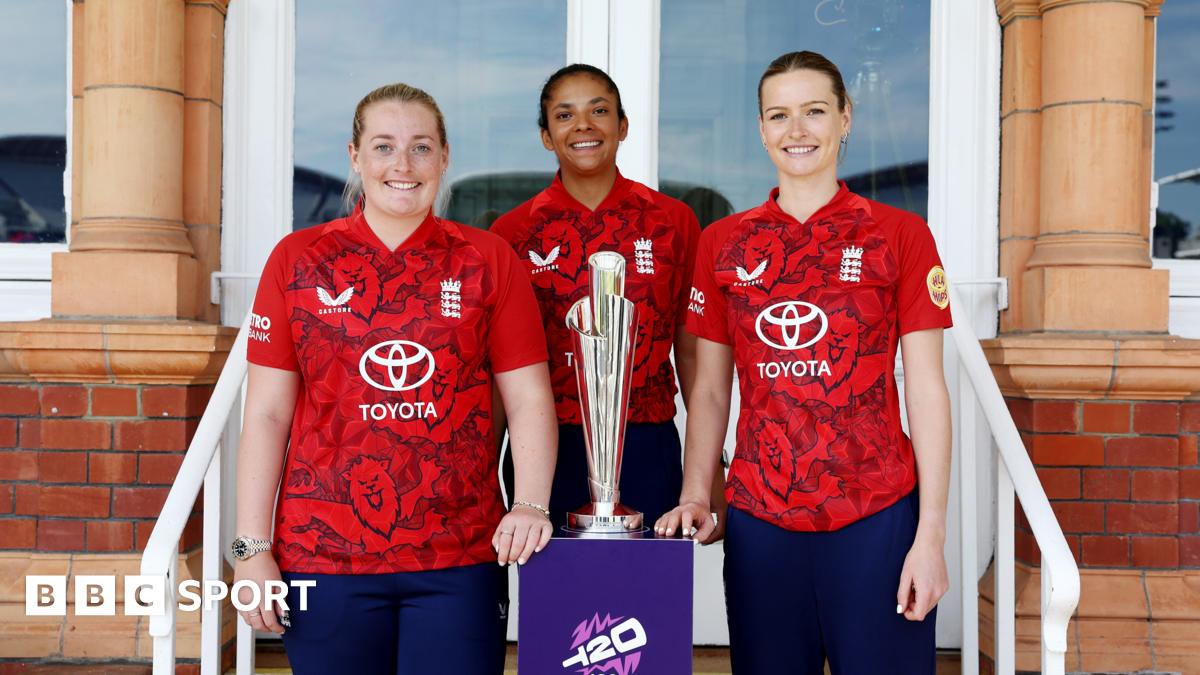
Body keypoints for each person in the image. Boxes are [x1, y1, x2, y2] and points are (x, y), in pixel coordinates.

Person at [231, 82, 557, 675]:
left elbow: (529, 397)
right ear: (355, 157)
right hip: (323, 552)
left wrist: (531, 504)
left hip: (460, 552)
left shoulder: (487, 260)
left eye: (420, 147)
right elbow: (267, 413)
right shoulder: (298, 260)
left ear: (444, 157)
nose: (402, 165)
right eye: (383, 146)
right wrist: (252, 548)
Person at [656, 51, 953, 674]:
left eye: (814, 111)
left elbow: (927, 388)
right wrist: (696, 492)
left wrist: (930, 535)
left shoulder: (899, 234)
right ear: (761, 129)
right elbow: (709, 391)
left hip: (876, 514)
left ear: (846, 118)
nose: (797, 130)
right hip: (761, 519)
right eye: (779, 115)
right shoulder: (724, 243)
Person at [490, 64, 716, 532]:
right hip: (547, 449)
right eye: (564, 115)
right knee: (557, 582)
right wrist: (484, 478)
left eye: (598, 111)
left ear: (623, 125)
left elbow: (693, 358)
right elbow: (499, 374)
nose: (583, 126)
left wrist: (710, 472)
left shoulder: (672, 223)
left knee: (648, 581)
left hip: (648, 444)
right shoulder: (512, 234)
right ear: (546, 136)